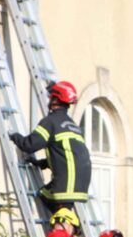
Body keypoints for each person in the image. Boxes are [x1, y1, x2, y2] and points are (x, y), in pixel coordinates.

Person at [9, 80, 91, 215]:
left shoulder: (51, 122)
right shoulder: (72, 125)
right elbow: (65, 155)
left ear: (55, 99)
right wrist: (41, 163)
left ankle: (62, 225)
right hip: (80, 184)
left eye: (51, 96)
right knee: (54, 204)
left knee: (58, 214)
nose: (49, 99)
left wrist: (13, 135)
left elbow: (29, 145)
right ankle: (68, 224)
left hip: (66, 185)